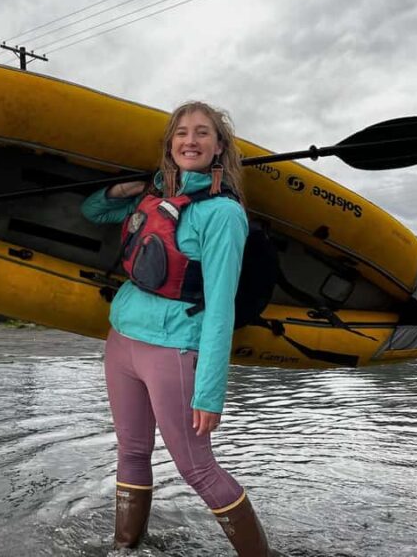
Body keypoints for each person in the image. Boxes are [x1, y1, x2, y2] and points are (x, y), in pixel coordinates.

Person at [81, 101, 273, 556]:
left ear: (219, 147)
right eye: (182, 132)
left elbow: (221, 307)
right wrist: (118, 192)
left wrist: (210, 393)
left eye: (203, 133)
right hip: (122, 339)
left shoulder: (223, 215)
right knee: (130, 451)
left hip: (173, 349)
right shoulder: (152, 194)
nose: (191, 140)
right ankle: (125, 548)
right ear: (170, 144)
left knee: (197, 469)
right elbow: (94, 212)